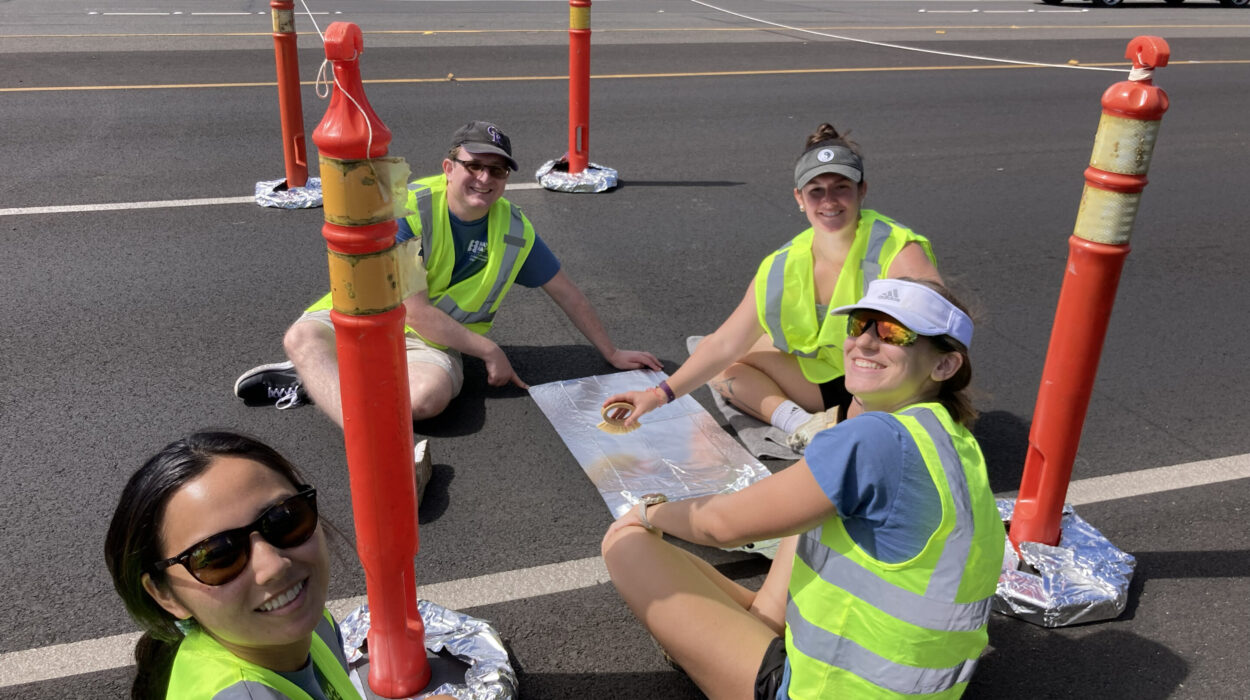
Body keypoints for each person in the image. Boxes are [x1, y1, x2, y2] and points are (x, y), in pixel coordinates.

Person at [601, 278, 1004, 700]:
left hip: (828, 690)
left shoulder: (876, 440)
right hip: (918, 689)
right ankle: (754, 628)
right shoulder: (950, 436)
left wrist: (648, 511)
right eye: (860, 326)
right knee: (807, 506)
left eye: (893, 333)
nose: (864, 343)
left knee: (629, 544)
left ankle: (705, 654)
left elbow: (720, 526)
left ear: (945, 365)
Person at [234, 121, 660, 498]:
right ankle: (383, 456)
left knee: (426, 401)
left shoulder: (514, 229)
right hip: (368, 313)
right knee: (302, 337)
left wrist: (611, 352)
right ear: (448, 167)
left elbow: (567, 292)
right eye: (473, 165)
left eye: (497, 170)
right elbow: (413, 308)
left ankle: (322, 380)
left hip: (435, 342)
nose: (484, 178)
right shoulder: (407, 207)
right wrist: (489, 350)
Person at [603, 123, 940, 453]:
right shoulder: (782, 263)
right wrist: (657, 396)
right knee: (716, 353)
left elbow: (941, 334)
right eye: (816, 190)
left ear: (861, 190)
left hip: (886, 389)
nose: (829, 201)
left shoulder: (896, 248)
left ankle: (845, 427)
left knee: (727, 361)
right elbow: (723, 344)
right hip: (840, 379)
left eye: (841, 187)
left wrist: (915, 410)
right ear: (799, 197)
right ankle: (804, 425)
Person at [104, 431, 360, 699]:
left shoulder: (313, 623)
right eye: (217, 556)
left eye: (284, 518)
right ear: (164, 595)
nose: (273, 566)